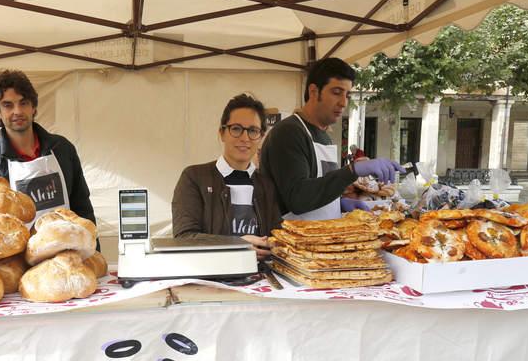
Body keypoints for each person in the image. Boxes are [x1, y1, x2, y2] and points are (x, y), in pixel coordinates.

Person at [260, 58, 403, 219]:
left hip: (321, 238)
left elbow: (320, 187)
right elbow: (298, 198)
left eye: (347, 95)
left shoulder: (324, 137)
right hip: (292, 240)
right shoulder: (289, 132)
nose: (343, 103)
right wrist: (351, 170)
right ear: (314, 91)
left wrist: (339, 202)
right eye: (336, 92)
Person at [0, 70, 96, 226]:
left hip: (65, 246)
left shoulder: (62, 149)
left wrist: (93, 247)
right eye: (8, 105)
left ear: (33, 107)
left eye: (23, 103)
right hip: (16, 248)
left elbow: (82, 206)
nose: (17, 111)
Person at [172, 93, 280, 260]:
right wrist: (237, 244)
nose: (245, 138)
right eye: (236, 129)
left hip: (258, 279)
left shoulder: (266, 185)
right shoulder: (194, 178)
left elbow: (276, 237)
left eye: (253, 131)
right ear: (222, 133)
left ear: (261, 137)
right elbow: (183, 238)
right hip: (210, 280)